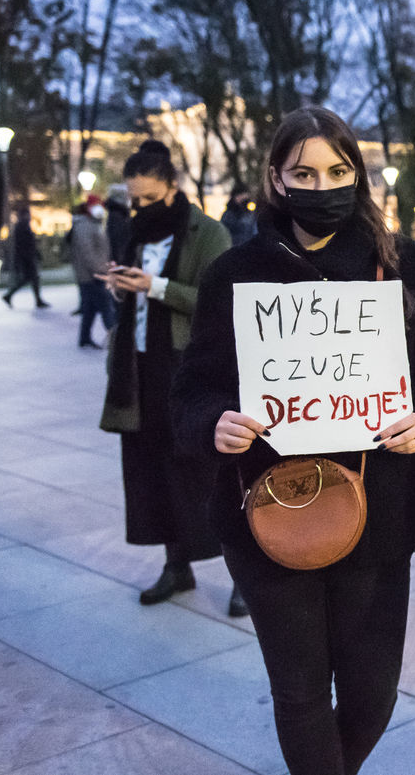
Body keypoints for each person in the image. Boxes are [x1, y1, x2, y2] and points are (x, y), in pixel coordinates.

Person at [170, 106, 415, 775]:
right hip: (268, 507)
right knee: (301, 691)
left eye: (337, 170)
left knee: (373, 691)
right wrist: (215, 419)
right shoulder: (234, 273)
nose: (323, 183)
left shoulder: (399, 264)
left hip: (381, 510)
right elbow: (192, 389)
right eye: (303, 171)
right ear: (276, 179)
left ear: (357, 174)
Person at [95, 140, 239, 613]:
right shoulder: (136, 235)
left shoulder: (208, 233)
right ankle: (176, 565)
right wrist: (121, 289)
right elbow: (133, 303)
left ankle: (243, 571)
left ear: (174, 190)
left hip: (185, 370)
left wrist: (154, 287)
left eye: (149, 199)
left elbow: (217, 303)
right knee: (151, 472)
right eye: (133, 200)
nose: (139, 209)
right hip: (137, 371)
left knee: (206, 473)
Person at [70, 194, 116, 348]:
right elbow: (87, 253)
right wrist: (101, 270)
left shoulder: (93, 223)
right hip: (92, 275)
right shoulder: (84, 225)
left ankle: (84, 338)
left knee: (90, 308)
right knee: (106, 306)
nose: (100, 209)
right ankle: (116, 339)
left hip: (91, 274)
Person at [2, 206, 49, 308]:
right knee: (30, 278)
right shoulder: (22, 226)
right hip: (26, 258)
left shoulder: (24, 225)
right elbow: (23, 245)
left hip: (28, 257)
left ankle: (36, 300)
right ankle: (10, 295)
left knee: (32, 279)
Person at [219, 181, 258, 246]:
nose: (242, 199)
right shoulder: (228, 215)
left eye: (245, 197)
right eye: (240, 196)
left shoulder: (251, 214)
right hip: (232, 248)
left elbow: (255, 232)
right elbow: (222, 233)